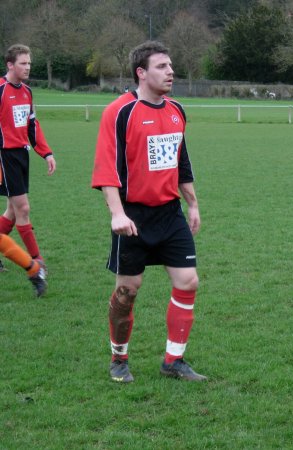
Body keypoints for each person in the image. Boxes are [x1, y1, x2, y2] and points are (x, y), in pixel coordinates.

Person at [92, 41, 206, 384]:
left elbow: (180, 162)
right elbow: (106, 168)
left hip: (169, 214)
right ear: (141, 73)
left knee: (188, 281)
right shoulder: (119, 112)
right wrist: (116, 214)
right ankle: (119, 358)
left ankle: (173, 360)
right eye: (161, 66)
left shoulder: (177, 110)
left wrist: (193, 204)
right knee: (128, 290)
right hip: (133, 217)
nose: (170, 72)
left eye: (171, 66)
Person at [0, 44, 56, 270]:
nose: (28, 67)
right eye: (23, 63)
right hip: (4, 156)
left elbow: (32, 126)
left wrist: (47, 153)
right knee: (22, 208)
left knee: (13, 211)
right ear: (10, 65)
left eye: (29, 63)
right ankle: (36, 261)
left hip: (22, 155)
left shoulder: (26, 91)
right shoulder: (0, 89)